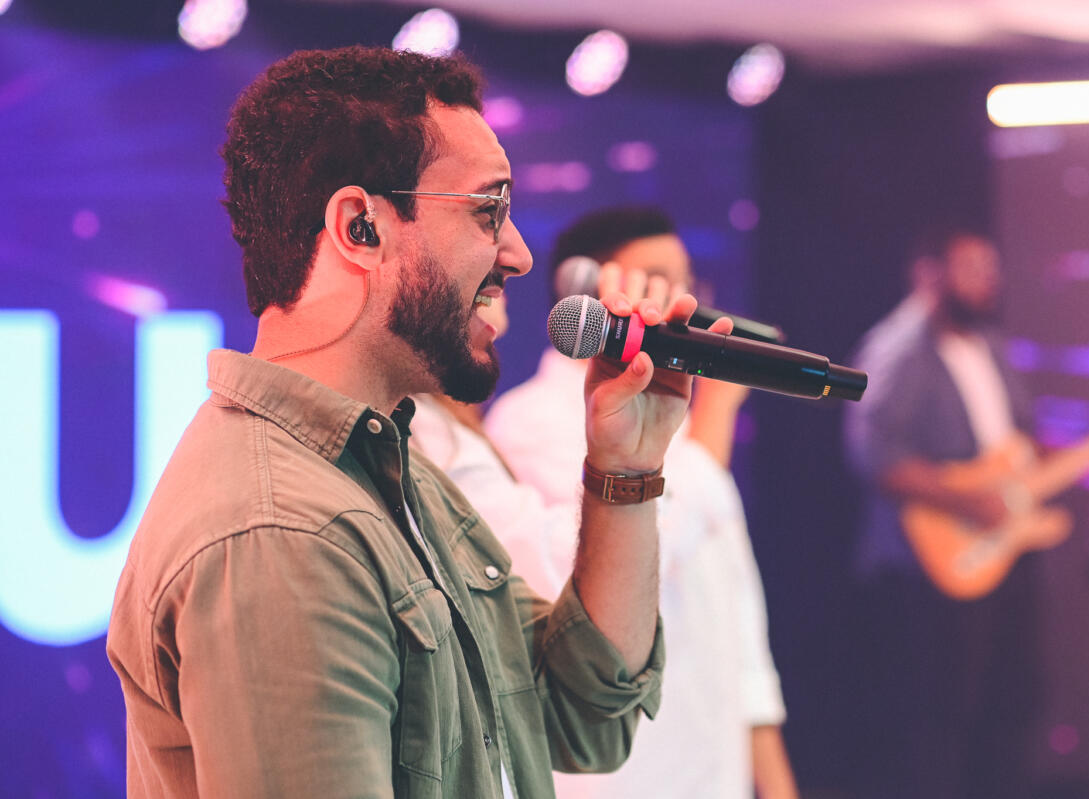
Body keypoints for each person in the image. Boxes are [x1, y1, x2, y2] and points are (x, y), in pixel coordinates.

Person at [105, 46, 707, 799]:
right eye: (488, 210)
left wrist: (626, 469)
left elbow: (582, 716)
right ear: (361, 227)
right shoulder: (284, 533)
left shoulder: (388, 467)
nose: (518, 254)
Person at [479, 207, 799, 799]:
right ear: (585, 286)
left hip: (715, 771)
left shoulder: (688, 429)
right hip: (626, 777)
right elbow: (622, 570)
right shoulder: (529, 421)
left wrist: (776, 784)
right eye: (655, 278)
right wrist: (715, 416)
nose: (678, 299)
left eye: (685, 281)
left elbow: (738, 627)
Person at [845, 228, 1039, 799]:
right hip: (926, 563)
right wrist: (966, 500)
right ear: (929, 273)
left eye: (991, 268)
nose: (987, 281)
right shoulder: (900, 347)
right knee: (937, 722)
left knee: (1011, 706)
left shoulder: (989, 344)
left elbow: (1019, 443)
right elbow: (875, 454)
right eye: (971, 268)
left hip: (1000, 552)